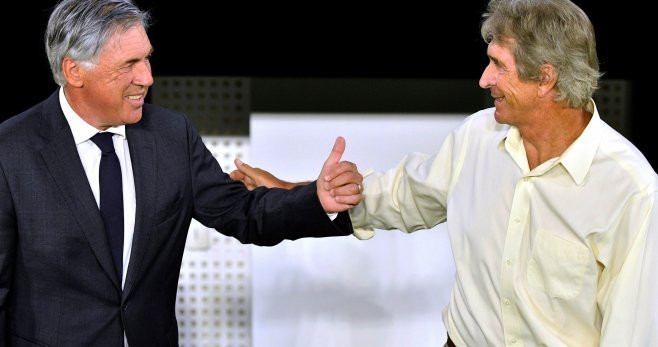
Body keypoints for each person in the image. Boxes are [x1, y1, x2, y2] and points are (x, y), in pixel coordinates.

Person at [230, 0, 658, 345]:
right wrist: (294, 192)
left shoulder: (631, 189)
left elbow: (632, 334)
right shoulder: (478, 135)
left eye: (498, 65)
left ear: (545, 79)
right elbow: (398, 197)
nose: (483, 79)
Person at [0, 0, 363, 345]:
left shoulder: (171, 135)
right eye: (129, 64)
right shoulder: (10, 150)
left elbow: (243, 212)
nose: (147, 77)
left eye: (147, 59)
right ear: (74, 71)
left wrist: (316, 199)